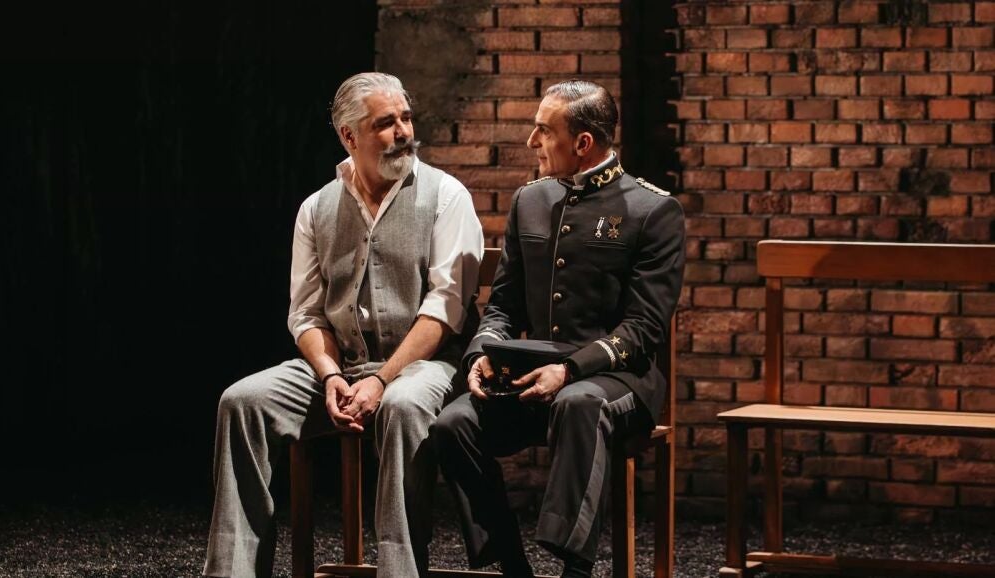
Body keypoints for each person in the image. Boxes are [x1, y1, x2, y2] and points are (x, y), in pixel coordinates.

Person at [203, 72, 485, 578]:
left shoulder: (447, 196)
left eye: (406, 118)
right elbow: (306, 312)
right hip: (346, 365)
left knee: (401, 404)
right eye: (386, 123)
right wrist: (331, 374)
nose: (403, 132)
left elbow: (445, 310)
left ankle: (400, 571)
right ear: (348, 136)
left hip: (427, 365)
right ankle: (232, 571)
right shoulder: (317, 208)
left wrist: (382, 379)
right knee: (242, 402)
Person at [434, 80, 685, 578]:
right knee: (453, 424)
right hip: (534, 378)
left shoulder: (653, 210)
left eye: (544, 131)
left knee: (578, 403)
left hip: (620, 380)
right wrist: (481, 355)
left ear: (583, 142)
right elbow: (502, 305)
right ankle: (512, 564)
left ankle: (574, 569)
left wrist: (569, 370)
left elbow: (643, 328)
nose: (532, 142)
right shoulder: (529, 200)